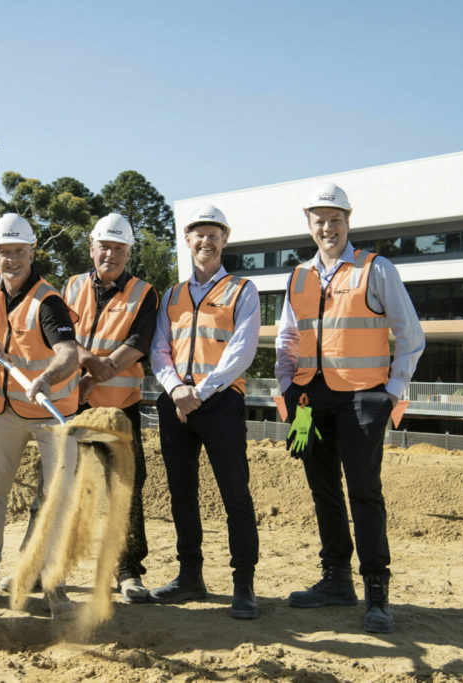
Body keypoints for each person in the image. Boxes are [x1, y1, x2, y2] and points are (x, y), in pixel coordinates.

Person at [275, 182, 425, 634]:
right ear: (309, 225)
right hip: (308, 399)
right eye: (319, 221)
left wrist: (391, 393)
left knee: (364, 491)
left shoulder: (375, 270)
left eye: (335, 220)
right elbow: (287, 337)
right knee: (323, 490)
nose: (327, 228)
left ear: (348, 221)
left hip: (363, 398)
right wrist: (287, 388)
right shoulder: (299, 276)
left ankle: (377, 592)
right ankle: (336, 580)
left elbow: (411, 336)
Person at [1, 213, 159, 603]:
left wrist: (100, 372)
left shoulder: (144, 292)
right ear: (92, 246)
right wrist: (90, 362)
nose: (111, 254)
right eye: (105, 246)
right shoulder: (69, 287)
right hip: (70, 408)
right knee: (54, 489)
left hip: (120, 409)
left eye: (119, 248)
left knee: (126, 489)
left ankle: (127, 571)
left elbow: (138, 343)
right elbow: (62, 336)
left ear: (128, 252)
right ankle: (35, 566)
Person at [0, 213, 80, 619]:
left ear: (32, 253)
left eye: (19, 252)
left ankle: (53, 583)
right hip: (6, 409)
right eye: (4, 252)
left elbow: (68, 354)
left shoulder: (49, 301)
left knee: (56, 500)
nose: (11, 259)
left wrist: (46, 378)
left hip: (52, 414)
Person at [148, 204, 262, 620]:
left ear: (225, 239)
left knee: (235, 494)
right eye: (199, 233)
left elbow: (241, 351)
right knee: (182, 493)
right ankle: (190, 576)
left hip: (220, 402)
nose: (206, 240)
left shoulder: (242, 290)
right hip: (176, 402)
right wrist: (177, 389)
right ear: (188, 239)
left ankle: (243, 584)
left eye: (214, 233)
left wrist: (200, 391)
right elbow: (159, 348)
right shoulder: (173, 295)